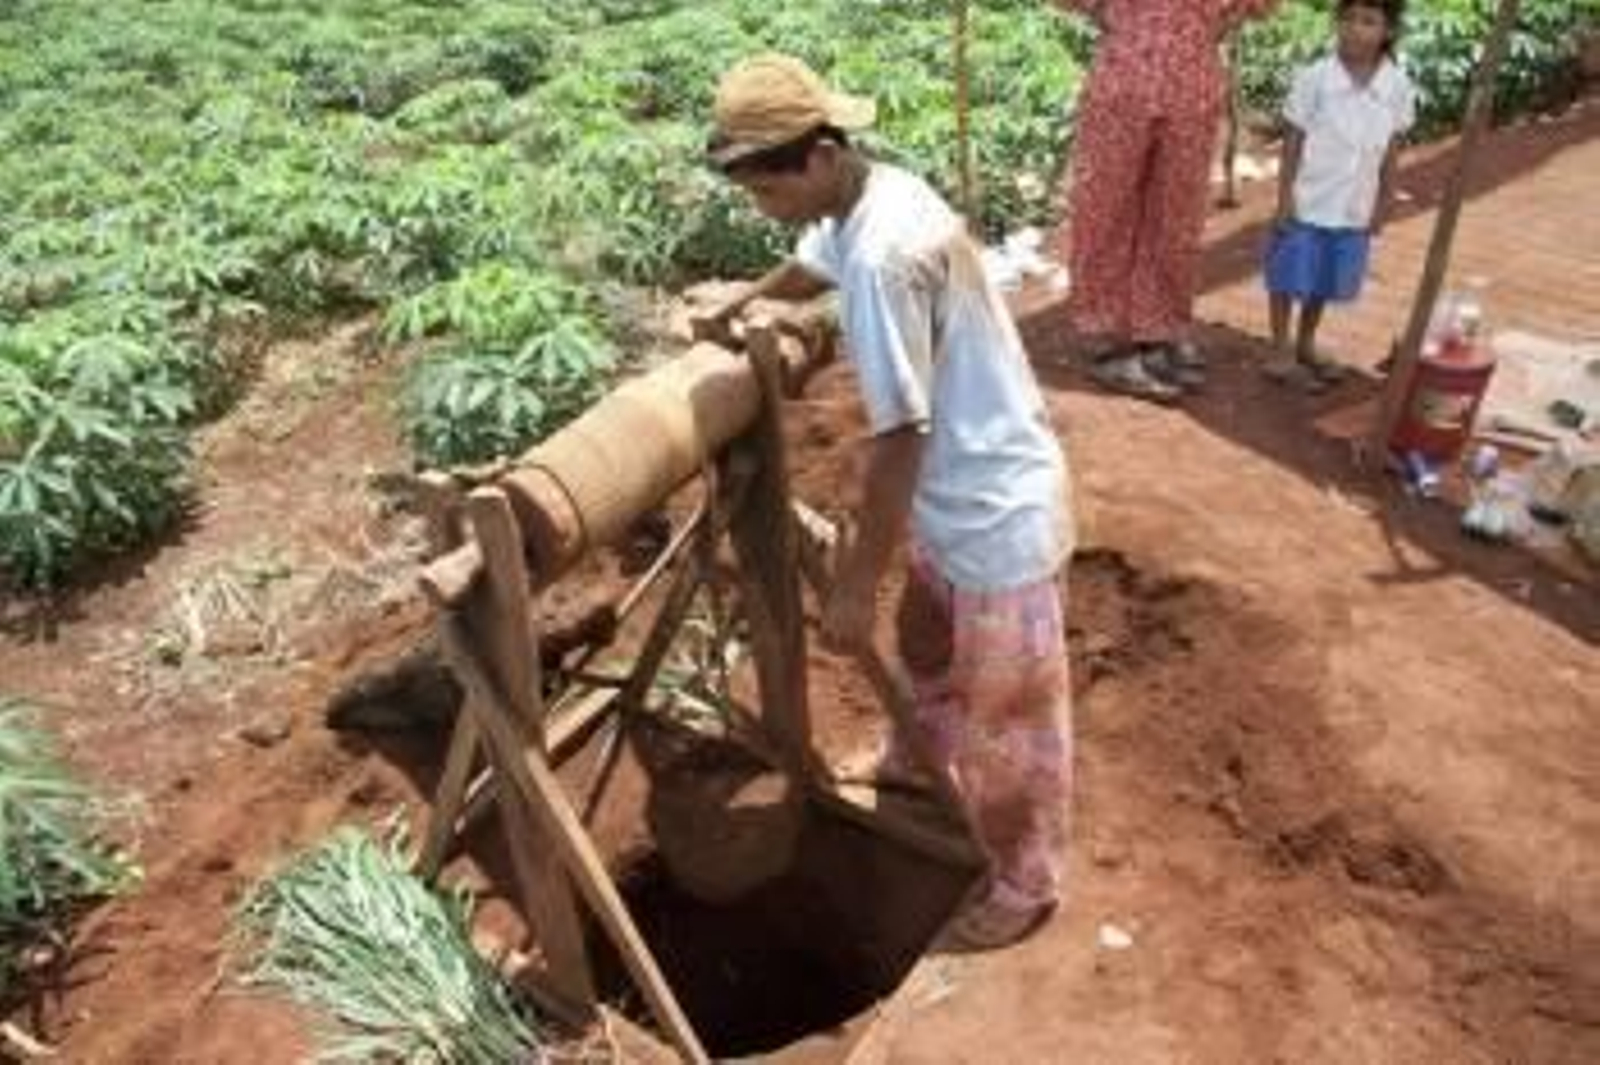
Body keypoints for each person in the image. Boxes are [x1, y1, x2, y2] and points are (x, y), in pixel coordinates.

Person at [701, 53, 1076, 949]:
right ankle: (916, 762)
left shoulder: (882, 258)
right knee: (929, 647)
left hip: (994, 509)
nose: (766, 208)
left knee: (1011, 723)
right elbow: (810, 263)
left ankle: (1024, 883)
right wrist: (745, 301)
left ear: (821, 155)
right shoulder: (870, 196)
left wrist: (854, 584)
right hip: (956, 497)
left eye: (769, 190)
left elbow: (900, 436)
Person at [1057, 0, 1280, 402]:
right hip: (1126, 82)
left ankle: (1156, 328)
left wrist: (1199, 29)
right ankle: (1109, 337)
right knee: (1107, 208)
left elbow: (1258, 7)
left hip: (1189, 88)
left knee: (1176, 215)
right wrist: (1126, 24)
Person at [1265, 0, 1415, 390]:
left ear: (1387, 32)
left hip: (1353, 206)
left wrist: (1384, 201)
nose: (1354, 28)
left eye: (1368, 21)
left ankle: (1305, 342)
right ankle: (1279, 350)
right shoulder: (1315, 78)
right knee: (1287, 274)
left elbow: (1393, 149)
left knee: (1323, 279)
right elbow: (1293, 140)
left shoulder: (1396, 87)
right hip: (1309, 199)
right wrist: (1284, 197)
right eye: (1347, 18)